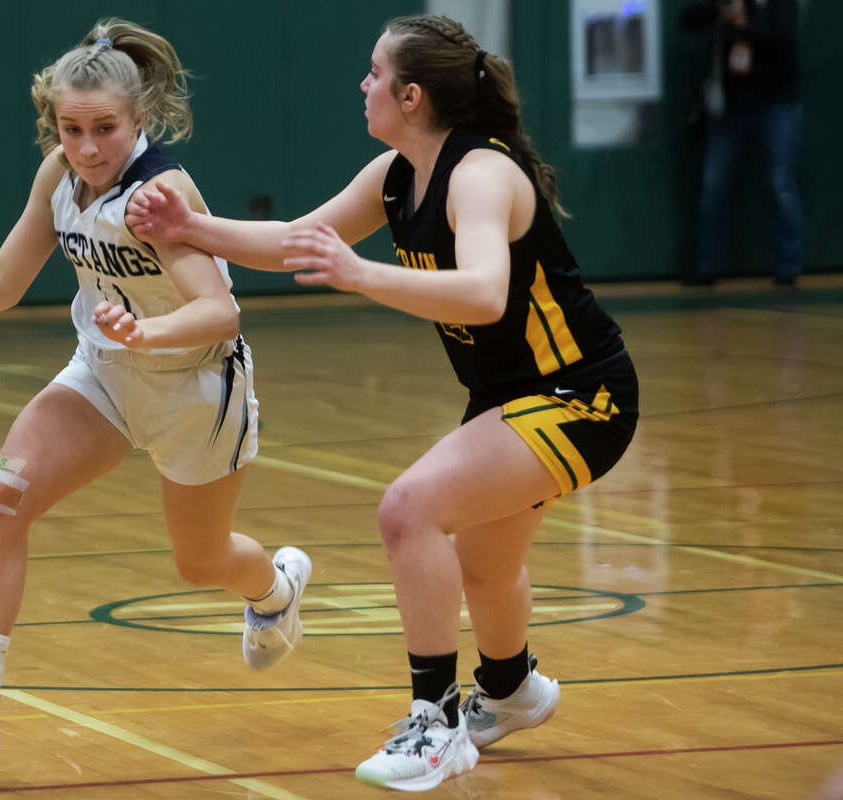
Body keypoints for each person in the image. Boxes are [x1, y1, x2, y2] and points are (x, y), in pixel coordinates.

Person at [126, 13, 638, 791]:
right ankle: (510, 691)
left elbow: (483, 294)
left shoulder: (479, 174)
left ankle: (434, 725)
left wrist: (361, 274)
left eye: (373, 73)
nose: (361, 85)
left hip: (579, 392)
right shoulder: (398, 171)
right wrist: (191, 225)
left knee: (408, 510)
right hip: (511, 394)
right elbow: (299, 238)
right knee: (486, 565)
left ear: (409, 93)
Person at [0, 18, 312, 762]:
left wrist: (146, 334)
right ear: (53, 123)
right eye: (71, 128)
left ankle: (275, 591)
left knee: (202, 560)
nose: (88, 148)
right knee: (3, 496)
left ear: (139, 120)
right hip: (104, 375)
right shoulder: (59, 174)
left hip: (196, 387)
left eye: (105, 129)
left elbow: (221, 310)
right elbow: (0, 286)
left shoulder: (159, 191)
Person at [681, 0, 802, 286]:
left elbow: (782, 39)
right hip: (732, 108)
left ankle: (788, 267)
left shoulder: (781, 6)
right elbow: (689, 20)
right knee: (713, 185)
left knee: (781, 182)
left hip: (777, 105)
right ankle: (707, 267)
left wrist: (745, 24)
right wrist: (721, 8)